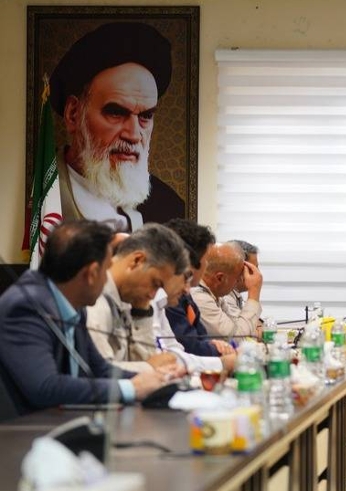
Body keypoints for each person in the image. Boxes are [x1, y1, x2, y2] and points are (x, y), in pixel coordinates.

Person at [0, 221, 175, 415]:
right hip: (22, 428)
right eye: (107, 270)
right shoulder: (25, 306)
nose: (108, 279)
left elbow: (101, 369)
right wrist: (131, 388)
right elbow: (45, 387)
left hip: (62, 421)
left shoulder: (74, 305)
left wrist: (159, 380)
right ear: (91, 274)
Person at [42, 22, 184, 235]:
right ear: (73, 114)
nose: (133, 135)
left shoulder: (169, 206)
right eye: (116, 113)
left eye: (145, 116)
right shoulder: (44, 196)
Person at [85, 224, 188, 372]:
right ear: (137, 261)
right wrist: (149, 367)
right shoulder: (94, 299)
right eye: (155, 284)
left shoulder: (126, 300)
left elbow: (143, 361)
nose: (153, 295)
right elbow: (99, 371)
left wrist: (142, 311)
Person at [163, 219, 234, 358]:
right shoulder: (168, 296)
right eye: (206, 260)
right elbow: (190, 347)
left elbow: (202, 337)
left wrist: (213, 345)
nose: (207, 266)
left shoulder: (185, 295)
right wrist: (218, 351)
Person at [192, 243, 263, 338]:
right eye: (238, 277)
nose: (241, 280)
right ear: (220, 278)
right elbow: (237, 338)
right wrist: (254, 293)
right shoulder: (200, 298)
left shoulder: (215, 295)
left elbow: (237, 328)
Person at [222, 240, 259, 318]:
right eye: (253, 268)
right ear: (238, 268)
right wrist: (254, 291)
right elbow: (242, 325)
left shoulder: (234, 294)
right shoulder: (225, 297)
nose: (258, 273)